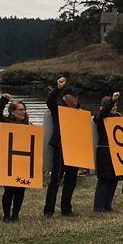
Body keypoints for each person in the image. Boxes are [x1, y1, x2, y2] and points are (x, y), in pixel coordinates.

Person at [43, 77, 81, 217]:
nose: (77, 98)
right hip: (61, 147)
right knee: (56, 180)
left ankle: (66, 208)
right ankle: (49, 210)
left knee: (71, 180)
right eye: (74, 96)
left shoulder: (78, 111)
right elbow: (49, 102)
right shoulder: (58, 108)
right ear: (66, 97)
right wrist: (58, 88)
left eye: (77, 96)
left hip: (75, 148)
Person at [0, 93, 30, 222]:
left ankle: (16, 214)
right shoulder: (5, 122)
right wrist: (4, 100)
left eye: (24, 109)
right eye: (20, 109)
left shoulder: (27, 125)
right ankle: (6, 215)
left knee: (20, 190)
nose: (23, 112)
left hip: (22, 161)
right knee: (9, 190)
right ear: (12, 111)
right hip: (8, 161)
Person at [93, 92, 122, 212]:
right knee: (104, 179)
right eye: (112, 105)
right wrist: (111, 100)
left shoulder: (119, 118)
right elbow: (103, 113)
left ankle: (108, 205)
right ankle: (99, 207)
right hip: (104, 151)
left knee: (114, 179)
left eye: (116, 105)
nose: (115, 107)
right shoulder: (100, 117)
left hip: (116, 151)